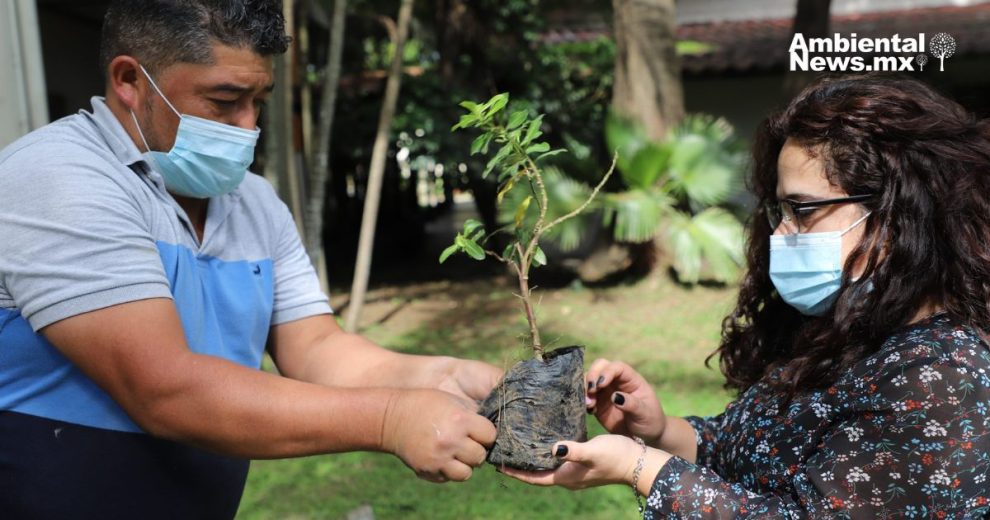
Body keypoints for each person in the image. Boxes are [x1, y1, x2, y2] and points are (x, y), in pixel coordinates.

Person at [0, 1, 499, 517]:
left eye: (259, 100)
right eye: (224, 99)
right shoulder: (56, 177)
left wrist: (442, 379)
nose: (247, 127)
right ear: (130, 80)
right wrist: (390, 419)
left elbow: (317, 348)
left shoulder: (253, 201)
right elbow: (164, 390)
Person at [502, 74, 990, 518]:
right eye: (779, 209)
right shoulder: (845, 328)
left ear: (895, 214)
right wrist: (657, 430)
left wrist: (641, 468)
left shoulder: (939, 379)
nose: (781, 232)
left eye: (803, 210)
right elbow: (749, 453)